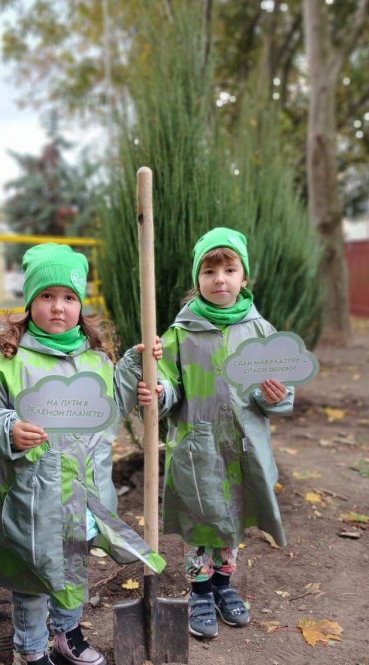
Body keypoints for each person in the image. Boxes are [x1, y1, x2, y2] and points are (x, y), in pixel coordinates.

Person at [0, 242, 164, 665]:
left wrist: (141, 365)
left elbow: (113, 406)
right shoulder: (4, 362)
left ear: (81, 306)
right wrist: (6, 429)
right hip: (32, 501)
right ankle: (33, 652)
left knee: (76, 567)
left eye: (69, 297)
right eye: (47, 296)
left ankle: (67, 633)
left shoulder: (96, 361)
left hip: (85, 496)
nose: (58, 307)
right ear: (30, 302)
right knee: (33, 577)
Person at [139, 227, 294, 639]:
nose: (220, 279)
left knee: (232, 519)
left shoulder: (260, 332)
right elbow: (170, 384)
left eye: (229, 269)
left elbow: (280, 391)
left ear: (244, 277)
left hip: (242, 445)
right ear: (198, 279)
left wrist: (274, 395)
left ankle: (224, 586)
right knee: (199, 518)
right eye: (210, 271)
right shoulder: (181, 333)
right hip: (197, 445)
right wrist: (161, 389)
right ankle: (200, 591)